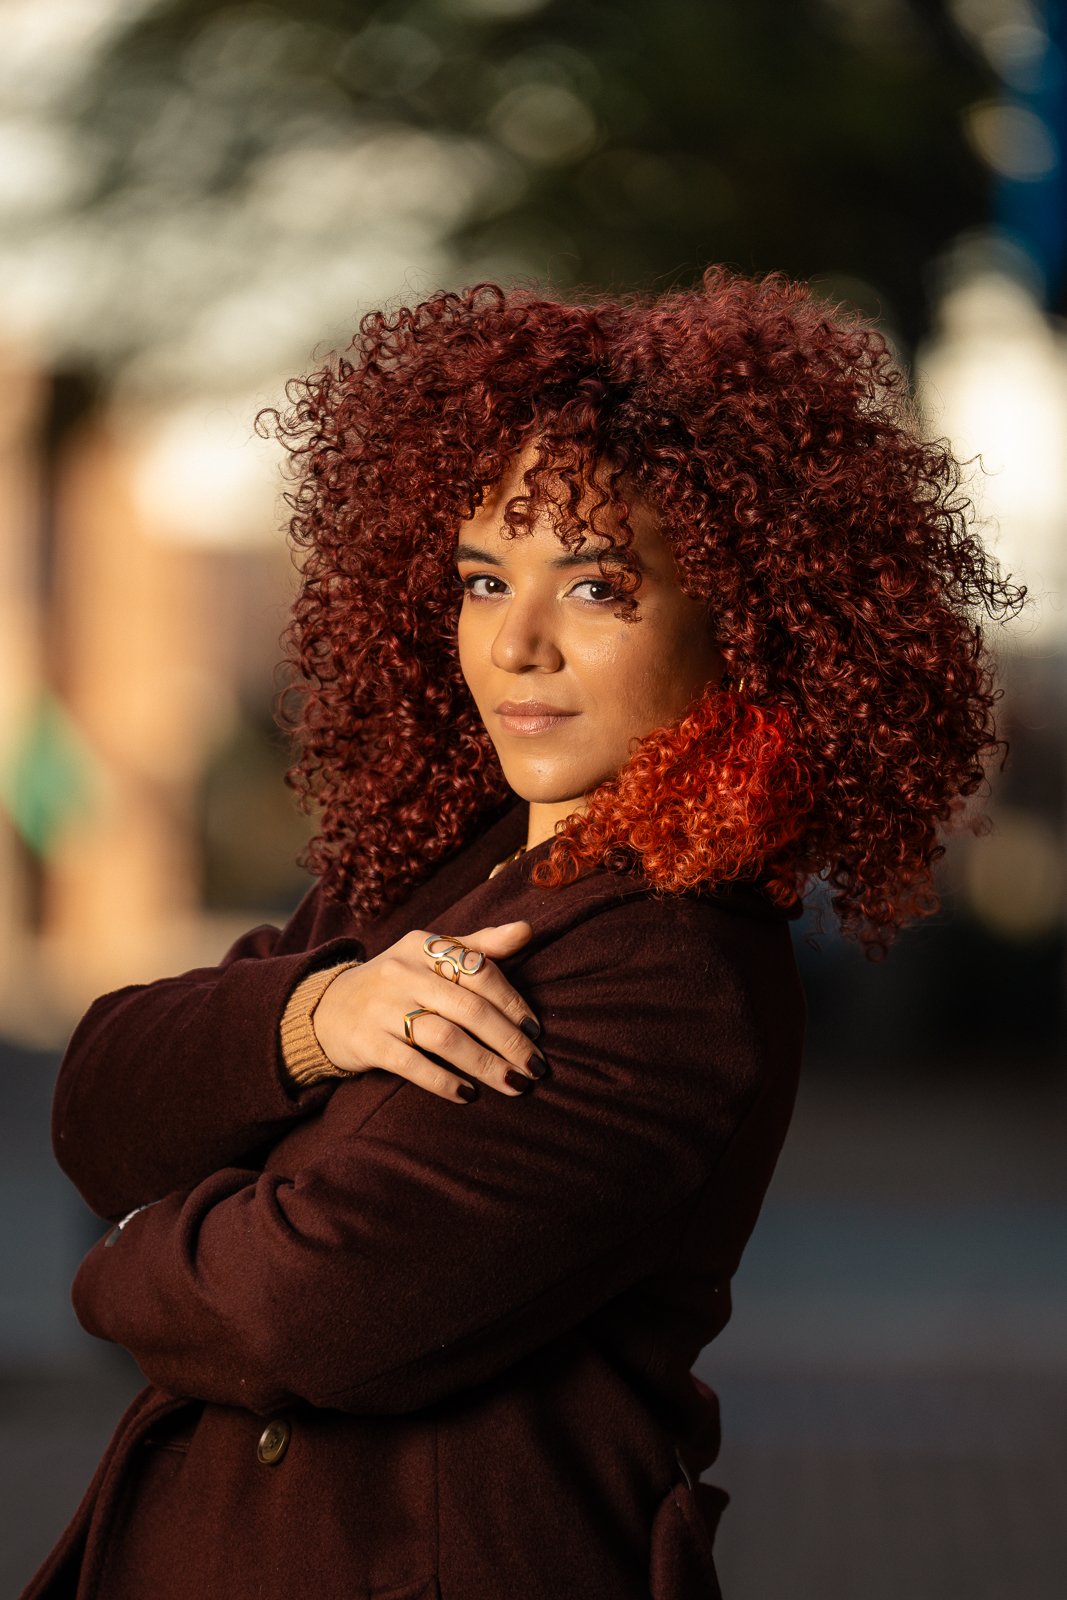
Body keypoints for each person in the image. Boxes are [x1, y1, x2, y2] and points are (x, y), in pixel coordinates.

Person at [24, 267, 1022, 1600]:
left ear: (744, 620)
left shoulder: (675, 963)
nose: (519, 645)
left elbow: (305, 1317)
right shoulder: (431, 871)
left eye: (598, 588)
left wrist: (124, 1259)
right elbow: (97, 1107)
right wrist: (314, 1019)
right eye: (486, 579)